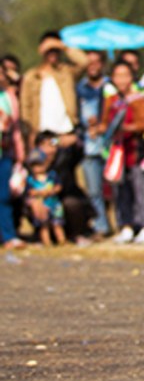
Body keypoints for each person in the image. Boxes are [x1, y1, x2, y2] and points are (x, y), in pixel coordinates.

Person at [102, 61, 144, 244]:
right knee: (121, 191)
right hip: (118, 153)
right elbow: (105, 123)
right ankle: (126, 225)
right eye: (118, 76)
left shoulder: (138, 99)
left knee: (142, 189)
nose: (121, 80)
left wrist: (128, 128)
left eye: (125, 75)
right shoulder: (111, 101)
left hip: (137, 150)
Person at [19, 32, 88, 145]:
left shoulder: (66, 72)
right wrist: (31, 133)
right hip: (43, 136)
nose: (53, 53)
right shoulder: (31, 77)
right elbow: (25, 108)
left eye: (55, 50)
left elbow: (84, 62)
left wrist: (63, 46)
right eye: (49, 50)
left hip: (66, 133)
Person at [77, 50, 113, 237]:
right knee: (93, 189)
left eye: (96, 62)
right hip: (89, 144)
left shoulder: (110, 86)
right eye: (88, 62)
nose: (92, 66)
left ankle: (122, 223)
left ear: (103, 64)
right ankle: (101, 226)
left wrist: (103, 124)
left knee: (115, 188)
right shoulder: (79, 88)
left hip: (110, 143)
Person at [0, 74, 25, 248]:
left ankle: (8, 235)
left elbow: (15, 128)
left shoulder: (8, 97)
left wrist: (19, 152)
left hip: (5, 152)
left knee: (4, 195)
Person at [24, 150, 66, 246]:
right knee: (44, 225)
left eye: (39, 164)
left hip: (54, 205)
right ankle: (47, 242)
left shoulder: (52, 175)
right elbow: (29, 192)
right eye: (34, 166)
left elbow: (59, 186)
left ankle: (62, 241)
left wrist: (52, 191)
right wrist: (39, 193)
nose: (37, 168)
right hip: (41, 206)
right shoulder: (30, 179)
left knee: (57, 224)